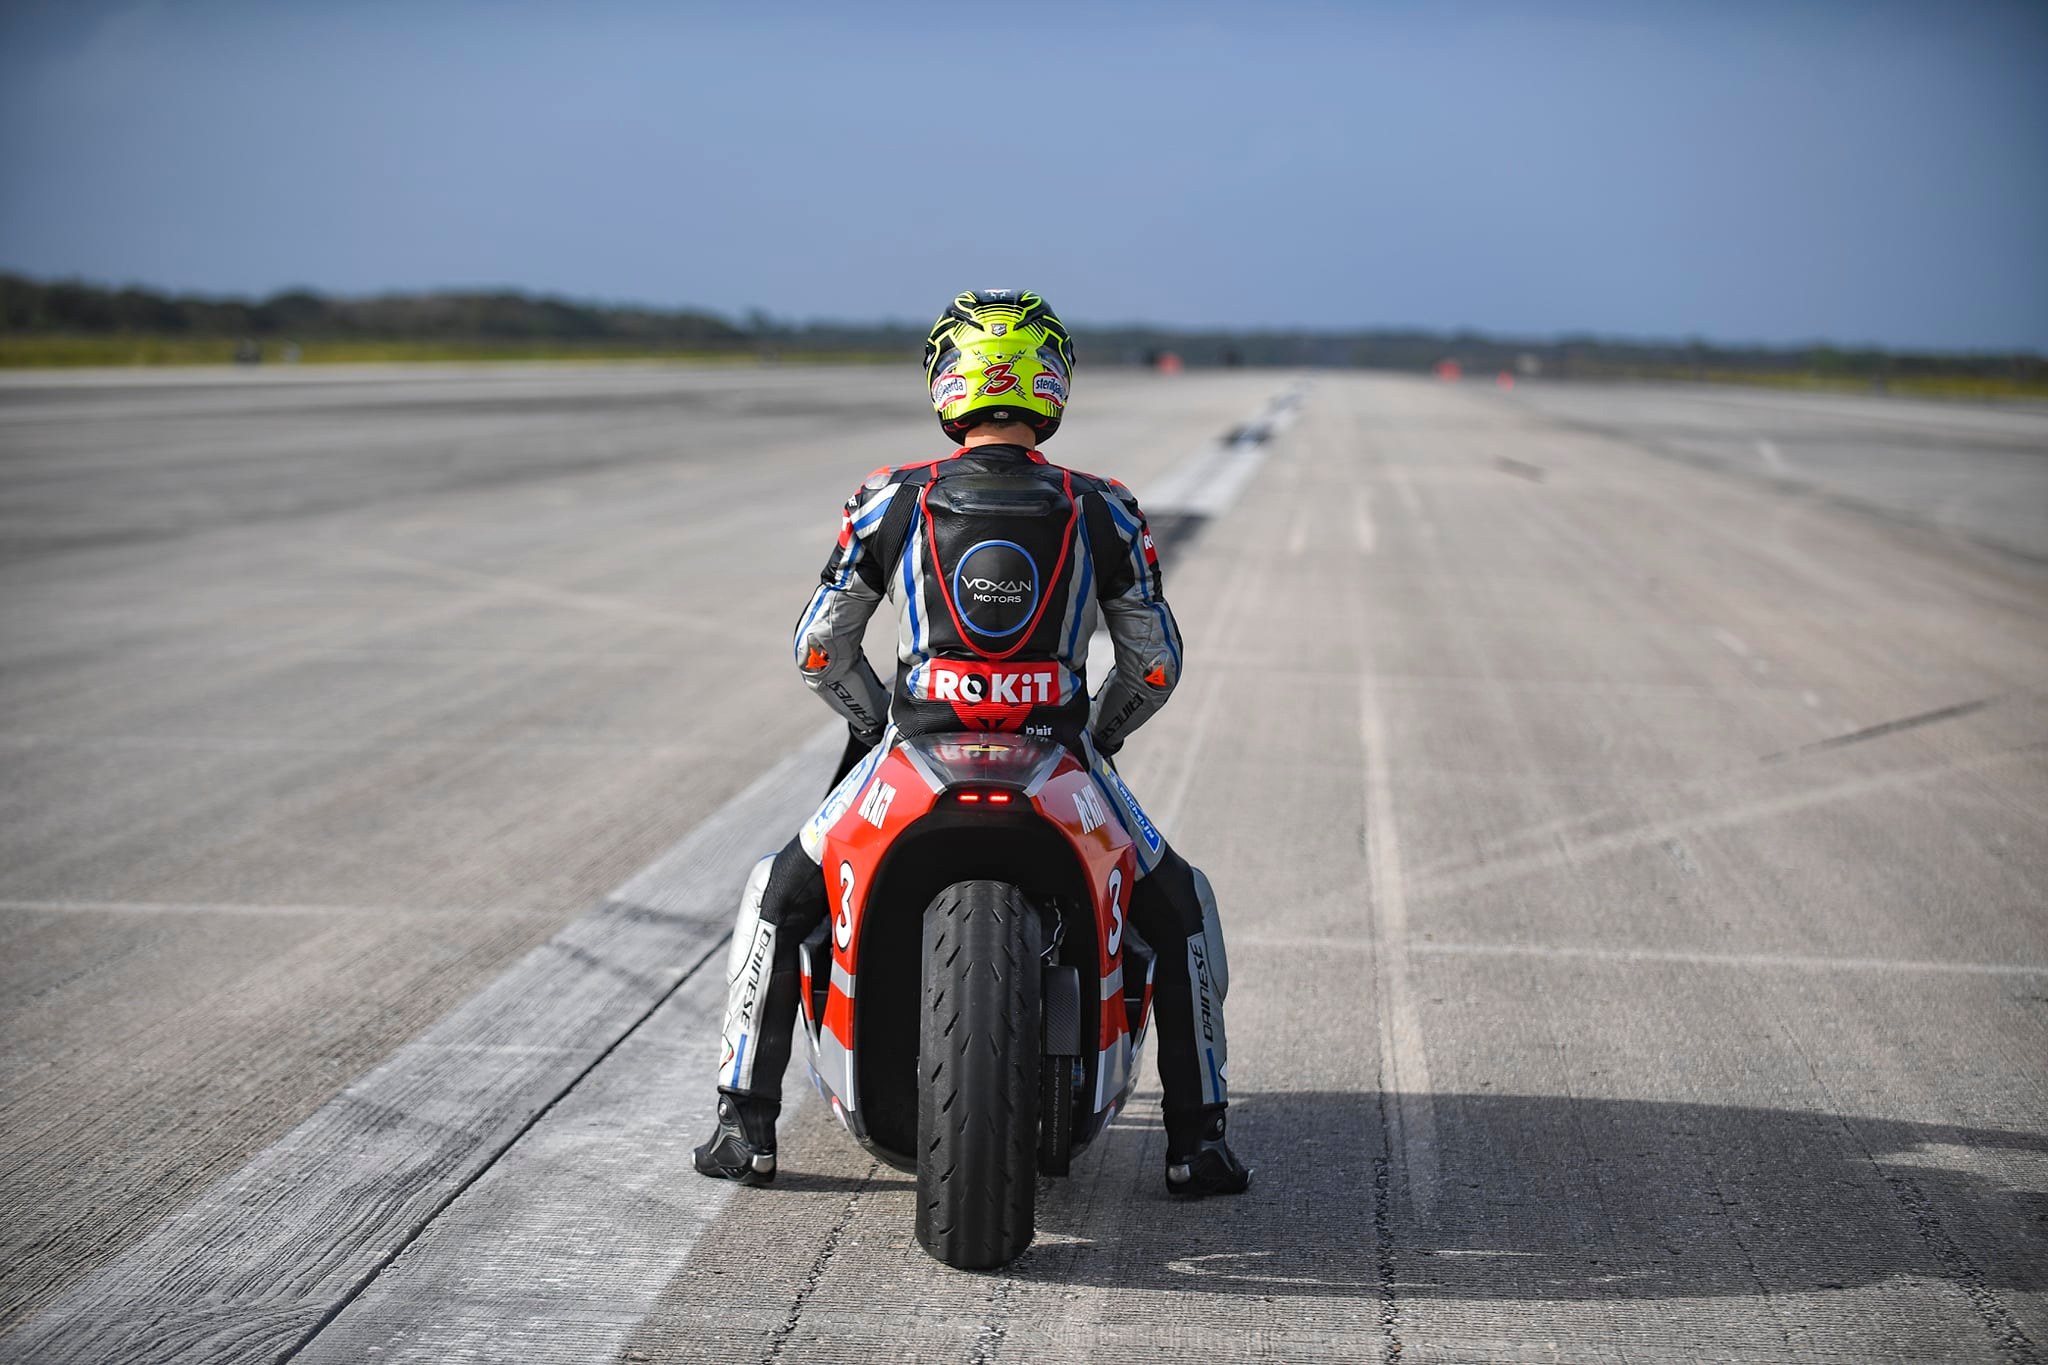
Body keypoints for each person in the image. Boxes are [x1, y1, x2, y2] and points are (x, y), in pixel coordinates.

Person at [693, 289, 1251, 1198]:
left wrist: (872, 721)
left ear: (948, 381)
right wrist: (1096, 743)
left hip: (913, 756)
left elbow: (819, 647)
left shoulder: (888, 499)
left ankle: (742, 1125)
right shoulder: (1105, 508)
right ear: (1051, 384)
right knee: (1181, 907)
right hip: (1060, 761)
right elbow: (1154, 665)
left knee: (778, 891)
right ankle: (1198, 1143)